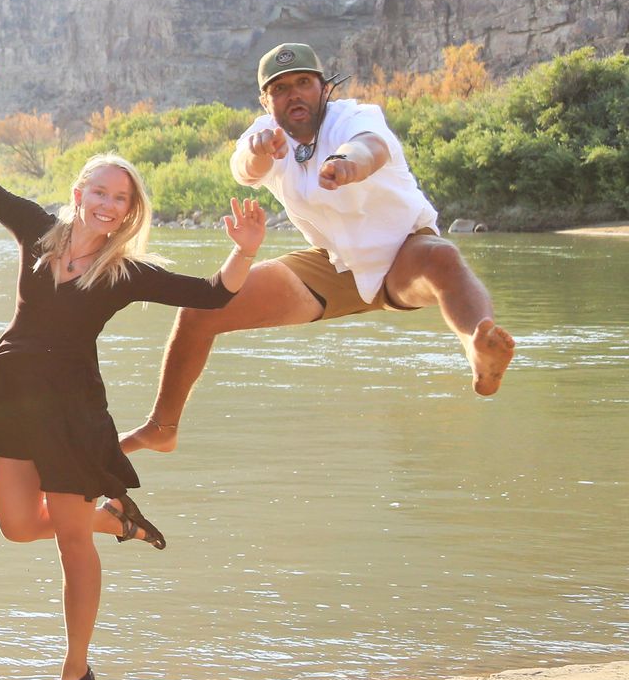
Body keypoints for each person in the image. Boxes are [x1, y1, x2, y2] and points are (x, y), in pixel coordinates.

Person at [0, 52, 268, 680]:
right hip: (9, 398)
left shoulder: (126, 273)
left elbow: (210, 295)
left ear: (129, 212)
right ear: (80, 192)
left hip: (70, 414)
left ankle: (74, 672)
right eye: (100, 192)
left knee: (67, 542)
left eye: (122, 199)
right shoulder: (37, 232)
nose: (108, 205)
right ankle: (117, 519)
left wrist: (242, 251)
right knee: (15, 525)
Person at [120, 43, 515, 456]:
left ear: (323, 88)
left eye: (304, 83)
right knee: (201, 308)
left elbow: (370, 148)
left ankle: (478, 347)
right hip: (334, 266)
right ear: (266, 100)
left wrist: (346, 164)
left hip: (404, 256)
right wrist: (257, 155)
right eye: (280, 88)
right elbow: (244, 168)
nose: (294, 95)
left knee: (442, 257)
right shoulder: (265, 135)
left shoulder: (355, 118)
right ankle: (161, 427)